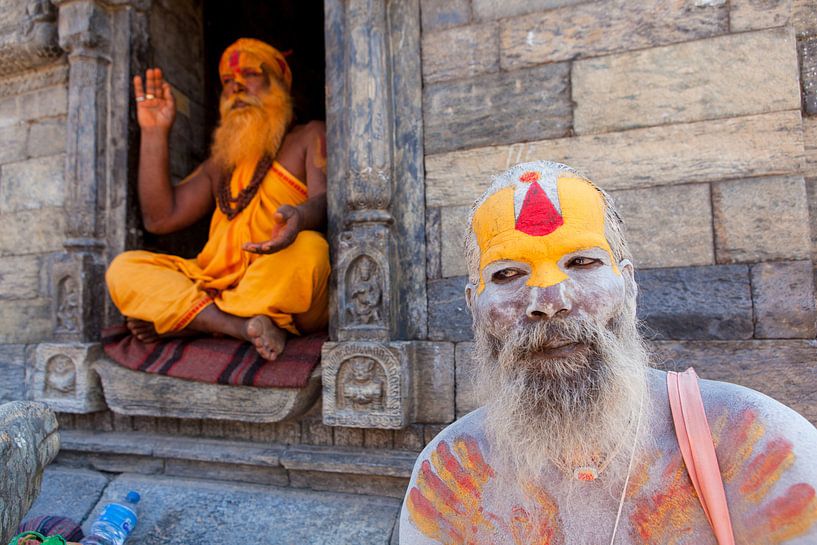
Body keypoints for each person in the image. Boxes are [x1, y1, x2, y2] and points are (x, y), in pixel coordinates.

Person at [400, 161, 817, 544]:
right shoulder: (450, 477)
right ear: (474, 303)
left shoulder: (757, 445)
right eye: (507, 273)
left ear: (628, 282)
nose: (550, 300)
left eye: (581, 262)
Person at [105, 38, 329, 361]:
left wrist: (300, 217)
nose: (236, 86)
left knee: (311, 252)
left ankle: (193, 321)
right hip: (219, 285)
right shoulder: (221, 164)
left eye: (249, 74)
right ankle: (239, 324)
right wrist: (154, 132)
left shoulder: (309, 136)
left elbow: (325, 202)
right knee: (123, 269)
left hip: (277, 279)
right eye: (227, 81)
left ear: (281, 85)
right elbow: (160, 217)